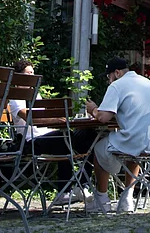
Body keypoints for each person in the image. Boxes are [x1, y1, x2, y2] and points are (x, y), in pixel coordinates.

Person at [85, 56, 150, 214]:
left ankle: (102, 199)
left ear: (116, 73)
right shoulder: (147, 83)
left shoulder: (117, 85)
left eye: (109, 77)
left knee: (99, 148)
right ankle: (127, 198)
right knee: (132, 152)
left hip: (136, 141)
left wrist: (93, 109)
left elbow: (103, 118)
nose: (109, 81)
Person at [9, 59, 96, 205]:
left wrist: (58, 120)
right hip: (31, 141)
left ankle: (82, 185)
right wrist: (54, 120)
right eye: (28, 73)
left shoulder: (36, 95)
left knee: (89, 135)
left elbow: (45, 118)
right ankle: (65, 191)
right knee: (62, 137)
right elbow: (30, 118)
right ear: (19, 77)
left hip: (50, 136)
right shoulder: (16, 97)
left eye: (33, 72)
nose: (33, 76)